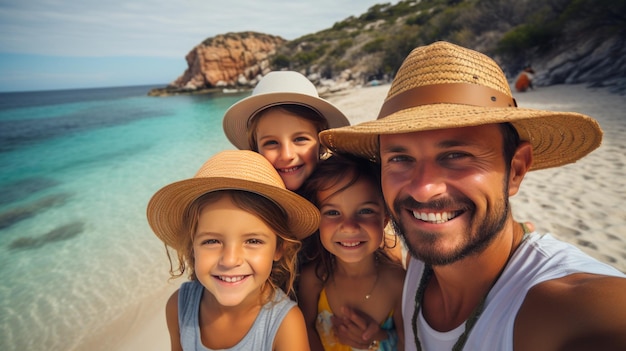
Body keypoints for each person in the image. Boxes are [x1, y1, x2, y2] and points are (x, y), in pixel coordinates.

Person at [318, 41, 626, 350]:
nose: (424, 188)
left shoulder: (568, 307)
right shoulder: (416, 266)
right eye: (400, 159)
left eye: (455, 155)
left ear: (516, 170)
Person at [146, 150, 321, 351]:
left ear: (279, 247)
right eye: (212, 241)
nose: (230, 260)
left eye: (253, 241)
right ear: (192, 247)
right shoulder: (179, 307)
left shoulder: (284, 325)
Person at [298, 154, 405, 351]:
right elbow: (305, 331)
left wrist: (378, 337)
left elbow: (409, 341)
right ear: (317, 222)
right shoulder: (313, 280)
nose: (349, 227)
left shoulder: (398, 282)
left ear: (385, 219)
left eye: (365, 211)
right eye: (332, 212)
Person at [222, 70, 350, 193]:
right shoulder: (250, 205)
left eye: (300, 139)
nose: (287, 155)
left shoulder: (342, 192)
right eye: (271, 142)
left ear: (321, 144)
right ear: (256, 150)